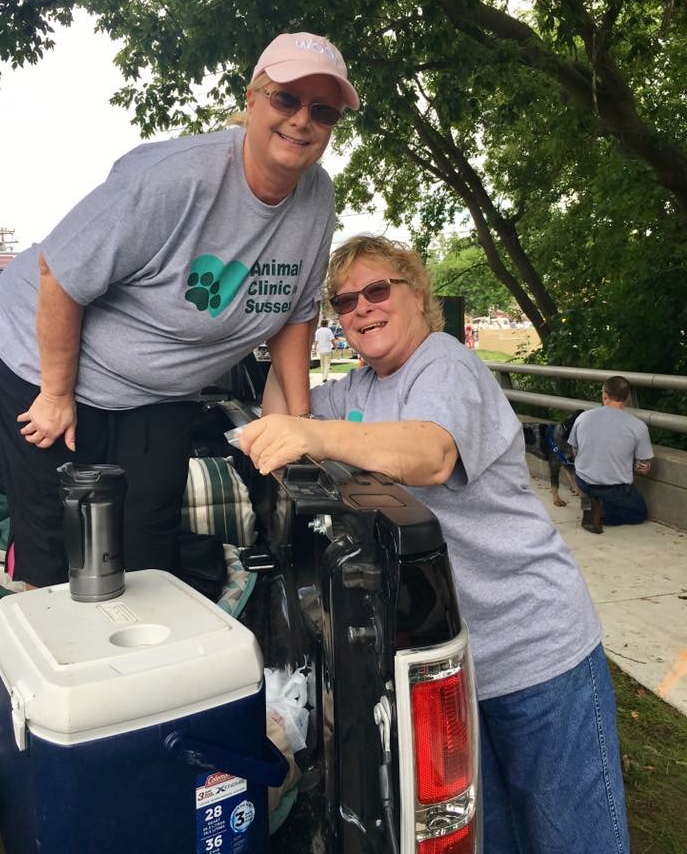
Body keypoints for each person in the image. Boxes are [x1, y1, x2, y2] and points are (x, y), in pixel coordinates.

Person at [241, 235, 630, 854]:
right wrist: (290, 326)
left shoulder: (444, 364)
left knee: (571, 838)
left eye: (376, 290)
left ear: (418, 295)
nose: (361, 309)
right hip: (459, 664)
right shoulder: (359, 389)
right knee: (489, 837)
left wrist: (313, 431)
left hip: (536, 648)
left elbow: (429, 452)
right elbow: (280, 415)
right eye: (343, 302)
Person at [0, 31, 359, 588]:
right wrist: (57, 394)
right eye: (286, 99)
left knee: (147, 550)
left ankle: (142, 663)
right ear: (252, 99)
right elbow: (58, 274)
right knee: (56, 545)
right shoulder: (175, 176)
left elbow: (296, 314)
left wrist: (296, 425)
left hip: (158, 392)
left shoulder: (317, 199)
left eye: (322, 110)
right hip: (40, 363)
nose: (302, 119)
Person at [568, 376, 653, 533]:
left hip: (583, 480)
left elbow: (574, 450)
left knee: (590, 491)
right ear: (627, 397)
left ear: (604, 394)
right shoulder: (638, 426)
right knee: (639, 514)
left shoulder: (583, 417)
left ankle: (589, 506)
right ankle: (603, 513)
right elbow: (643, 467)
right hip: (615, 488)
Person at [313, 318, 336, 382]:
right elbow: (332, 340)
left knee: (322, 364)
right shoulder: (329, 331)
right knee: (327, 364)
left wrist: (315, 348)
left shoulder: (318, 331)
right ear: (327, 324)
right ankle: (325, 377)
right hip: (328, 349)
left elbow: (316, 341)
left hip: (321, 350)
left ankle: (323, 377)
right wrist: (336, 347)